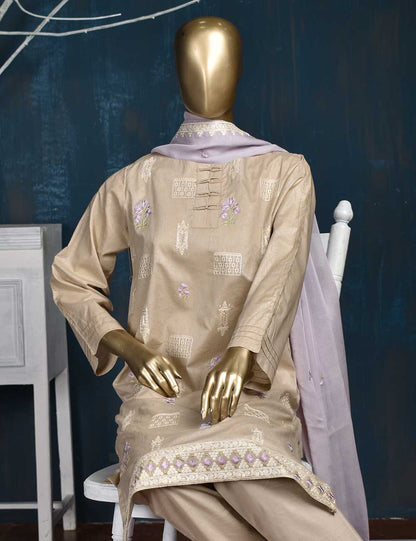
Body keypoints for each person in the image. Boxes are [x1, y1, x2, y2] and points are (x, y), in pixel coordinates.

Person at [50, 16, 368, 541]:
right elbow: (71, 276)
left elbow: (281, 272)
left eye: (218, 60)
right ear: (176, 74)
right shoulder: (134, 182)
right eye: (192, 62)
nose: (205, 74)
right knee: (157, 473)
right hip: (160, 399)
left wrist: (242, 355)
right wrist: (130, 348)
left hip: (251, 393)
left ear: (238, 70)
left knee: (248, 472)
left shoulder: (285, 173)